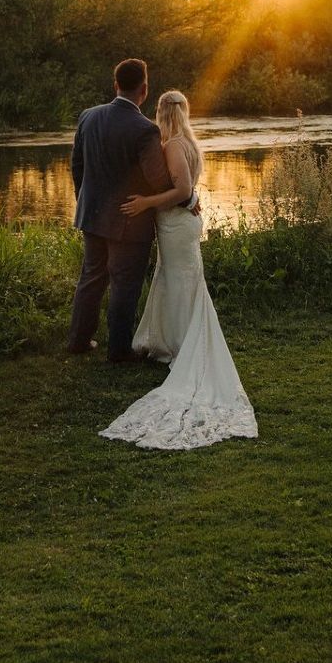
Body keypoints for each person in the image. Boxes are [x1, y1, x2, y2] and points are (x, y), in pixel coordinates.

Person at [100, 89, 257, 450]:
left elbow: (183, 190)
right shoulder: (187, 142)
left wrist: (145, 203)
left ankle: (183, 345)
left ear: (161, 112)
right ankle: (172, 340)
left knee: (182, 281)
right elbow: (190, 192)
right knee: (175, 280)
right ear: (184, 113)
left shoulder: (172, 146)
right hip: (179, 225)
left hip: (175, 225)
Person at [67, 58, 174, 362]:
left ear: (115, 85)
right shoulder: (145, 129)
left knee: (91, 277)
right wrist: (182, 191)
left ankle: (78, 340)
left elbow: (77, 166)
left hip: (92, 214)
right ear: (145, 89)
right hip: (130, 220)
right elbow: (159, 180)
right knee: (125, 284)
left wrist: (86, 200)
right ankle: (118, 350)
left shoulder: (88, 116)